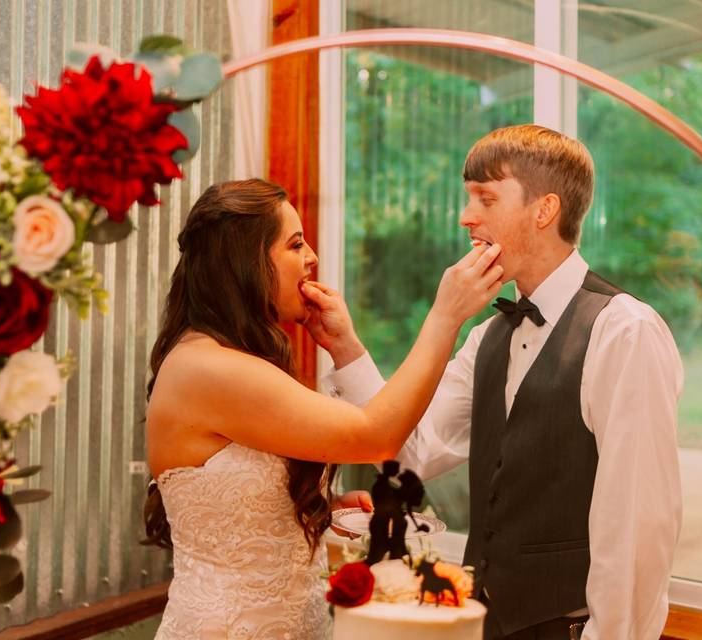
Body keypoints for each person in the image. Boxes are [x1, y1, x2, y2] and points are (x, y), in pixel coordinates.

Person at [312, 125, 684, 639]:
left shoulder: (624, 330)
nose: (467, 217)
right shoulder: (488, 335)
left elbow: (639, 523)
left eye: (485, 198)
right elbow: (411, 451)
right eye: (469, 199)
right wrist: (346, 349)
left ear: (544, 209)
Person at [143, 178, 504, 639]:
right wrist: (446, 316)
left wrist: (320, 510)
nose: (312, 257)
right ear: (245, 262)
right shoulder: (206, 367)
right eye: (295, 244)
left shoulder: (231, 360)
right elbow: (375, 435)